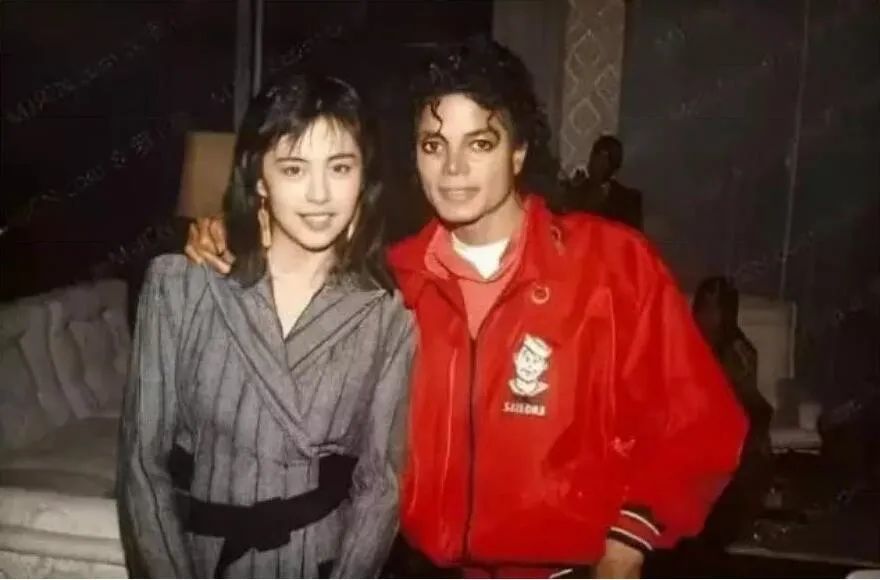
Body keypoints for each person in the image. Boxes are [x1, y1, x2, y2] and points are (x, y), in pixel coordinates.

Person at [186, 38, 747, 578]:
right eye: (434, 146)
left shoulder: (609, 265)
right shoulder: (389, 282)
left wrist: (627, 541)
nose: (453, 169)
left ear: (518, 151)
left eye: (479, 144)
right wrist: (232, 238)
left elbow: (701, 424)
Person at [119, 73, 415, 578]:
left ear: (363, 178)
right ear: (260, 178)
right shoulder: (180, 287)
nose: (319, 194)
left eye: (340, 167)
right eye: (294, 168)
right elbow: (143, 467)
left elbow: (378, 488)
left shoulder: (386, 315)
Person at [691, 276, 773, 549]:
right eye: (704, 308)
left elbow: (745, 401)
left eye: (715, 309)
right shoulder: (682, 345)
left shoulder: (739, 352)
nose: (708, 317)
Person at [564, 135, 644, 231]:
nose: (597, 164)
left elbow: (631, 235)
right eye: (596, 156)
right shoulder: (576, 189)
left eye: (605, 160)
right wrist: (573, 190)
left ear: (615, 167)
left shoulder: (628, 200)